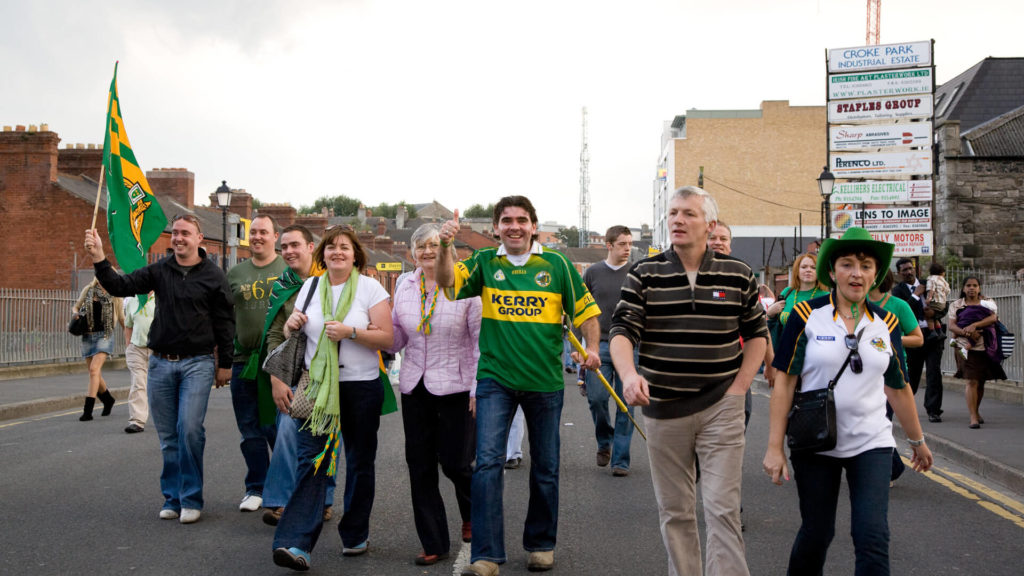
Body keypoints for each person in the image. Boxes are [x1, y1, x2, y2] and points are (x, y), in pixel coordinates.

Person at [435, 197, 601, 576]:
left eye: (521, 220)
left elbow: (587, 311)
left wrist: (592, 348)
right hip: (496, 379)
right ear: (496, 228)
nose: (514, 226)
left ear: (533, 226)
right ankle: (486, 554)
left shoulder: (556, 265)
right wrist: (445, 245)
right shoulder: (484, 262)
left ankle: (541, 545)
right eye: (506, 220)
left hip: (545, 381)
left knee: (546, 466)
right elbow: (446, 282)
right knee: (487, 464)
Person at [610, 186, 767, 576]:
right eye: (673, 213)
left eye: (688, 214)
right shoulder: (644, 273)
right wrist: (629, 375)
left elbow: (757, 335)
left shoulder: (738, 274)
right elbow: (622, 331)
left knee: (723, 509)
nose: (677, 220)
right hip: (663, 409)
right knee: (676, 511)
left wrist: (739, 389)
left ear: (709, 224)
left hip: (722, 407)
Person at [763, 227, 933, 576]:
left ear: (875, 274)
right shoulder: (806, 315)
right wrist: (774, 447)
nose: (857, 273)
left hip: (872, 442)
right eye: (848, 265)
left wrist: (917, 441)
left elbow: (898, 386)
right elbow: (784, 382)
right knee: (817, 534)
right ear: (832, 271)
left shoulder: (887, 322)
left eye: (866, 266)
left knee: (872, 536)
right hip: (816, 441)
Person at [84, 215, 234, 525]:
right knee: (168, 436)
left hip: (198, 363)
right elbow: (120, 286)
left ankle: (191, 498)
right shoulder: (160, 271)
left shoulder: (214, 276)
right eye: (175, 233)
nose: (178, 238)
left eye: (185, 233)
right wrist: (99, 256)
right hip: (161, 363)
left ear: (199, 239)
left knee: (189, 429)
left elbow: (224, 322)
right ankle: (172, 498)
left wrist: (226, 364)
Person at [271, 225, 394, 571]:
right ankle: (296, 543)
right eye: (331, 247)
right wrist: (291, 324)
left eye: (344, 247)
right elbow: (290, 333)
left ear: (355, 255)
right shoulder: (310, 287)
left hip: (360, 387)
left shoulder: (370, 288)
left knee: (359, 462)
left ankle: (355, 534)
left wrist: (350, 332)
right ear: (322, 254)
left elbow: (388, 339)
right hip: (317, 387)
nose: (337, 252)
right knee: (312, 462)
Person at [390, 223, 481, 566]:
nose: (427, 252)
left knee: (457, 463)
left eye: (433, 245)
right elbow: (398, 335)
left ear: (449, 252)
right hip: (414, 385)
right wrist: (367, 334)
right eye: (421, 247)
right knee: (420, 465)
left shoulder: (466, 287)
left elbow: (480, 342)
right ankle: (433, 541)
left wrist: (478, 389)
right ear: (413, 254)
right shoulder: (404, 285)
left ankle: (472, 514)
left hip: (457, 386)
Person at [260, 225, 335, 526]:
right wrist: (276, 378)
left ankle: (324, 499)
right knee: (287, 431)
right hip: (297, 374)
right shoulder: (282, 286)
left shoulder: (334, 278)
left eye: (295, 245)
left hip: (333, 373)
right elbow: (274, 335)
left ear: (311, 247)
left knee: (329, 436)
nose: (289, 251)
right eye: (284, 247)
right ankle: (280, 500)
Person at [228, 214, 287, 513]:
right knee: (249, 429)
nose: (257, 237)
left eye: (263, 232)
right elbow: (226, 317)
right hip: (244, 361)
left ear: (276, 236)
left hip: (280, 362)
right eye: (253, 232)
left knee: (276, 428)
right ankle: (256, 488)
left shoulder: (288, 269)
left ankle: (285, 487)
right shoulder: (235, 273)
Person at [580, 225, 636, 477]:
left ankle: (620, 460)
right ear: (609, 245)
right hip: (598, 344)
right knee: (597, 398)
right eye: (623, 244)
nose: (628, 248)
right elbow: (580, 310)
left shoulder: (636, 272)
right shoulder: (592, 273)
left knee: (626, 404)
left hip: (630, 345)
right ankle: (605, 442)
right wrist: (579, 347)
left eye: (630, 244)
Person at [868, 270, 923, 485]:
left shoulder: (899, 305)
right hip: (862, 373)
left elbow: (918, 339)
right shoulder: (854, 305)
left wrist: (890, 338)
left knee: (881, 421)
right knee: (870, 424)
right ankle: (893, 466)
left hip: (891, 371)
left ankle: (887, 470)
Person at [948, 276, 1007, 429]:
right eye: (968, 285)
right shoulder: (956, 305)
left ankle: (976, 410)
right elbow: (952, 326)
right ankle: (973, 416)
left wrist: (975, 325)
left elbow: (993, 318)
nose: (971, 288)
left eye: (975, 285)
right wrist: (966, 332)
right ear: (963, 288)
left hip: (985, 346)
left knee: (980, 381)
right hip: (964, 347)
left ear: (979, 288)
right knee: (971, 380)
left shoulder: (987, 302)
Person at [893, 258, 945, 422]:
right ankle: (904, 407)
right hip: (913, 337)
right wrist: (915, 295)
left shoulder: (928, 283)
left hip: (933, 335)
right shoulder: (898, 291)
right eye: (904, 270)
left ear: (915, 269)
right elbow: (902, 310)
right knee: (913, 375)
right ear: (899, 273)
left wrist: (934, 314)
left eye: (910, 268)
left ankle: (933, 410)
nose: (908, 272)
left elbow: (943, 304)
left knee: (933, 373)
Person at [72, 278, 124, 421]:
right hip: (87, 336)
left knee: (94, 370)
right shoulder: (88, 290)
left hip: (105, 336)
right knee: (94, 373)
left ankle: (87, 411)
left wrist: (130, 339)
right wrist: (75, 314)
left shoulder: (115, 294)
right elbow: (76, 306)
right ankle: (108, 399)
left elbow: (121, 318)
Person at [766, 252, 829, 349]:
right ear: (797, 270)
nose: (808, 270)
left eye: (813, 267)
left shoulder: (826, 297)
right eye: (804, 267)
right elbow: (775, 322)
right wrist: (770, 313)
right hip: (785, 352)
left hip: (812, 352)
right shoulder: (787, 292)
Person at [122, 292, 155, 433]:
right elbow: (128, 325)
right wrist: (129, 346)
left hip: (158, 349)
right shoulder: (132, 300)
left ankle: (168, 418)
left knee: (161, 386)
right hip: (136, 349)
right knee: (138, 383)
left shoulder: (162, 297)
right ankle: (137, 420)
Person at [925, 261, 951, 332]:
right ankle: (939, 331)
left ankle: (932, 332)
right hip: (942, 304)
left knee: (929, 317)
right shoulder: (943, 280)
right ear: (941, 272)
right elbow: (948, 291)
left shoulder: (931, 278)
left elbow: (931, 289)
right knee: (935, 317)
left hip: (935, 303)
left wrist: (929, 298)